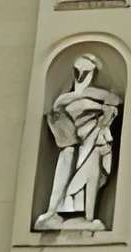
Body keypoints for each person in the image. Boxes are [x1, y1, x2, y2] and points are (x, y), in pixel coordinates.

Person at [34, 55, 122, 230]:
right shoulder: (67, 98)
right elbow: (61, 109)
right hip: (72, 144)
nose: (81, 76)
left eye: (86, 72)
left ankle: (88, 217)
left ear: (92, 73)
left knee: (91, 174)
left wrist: (101, 107)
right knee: (65, 172)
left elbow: (115, 101)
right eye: (77, 72)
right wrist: (96, 105)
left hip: (93, 140)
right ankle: (54, 212)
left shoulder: (95, 94)